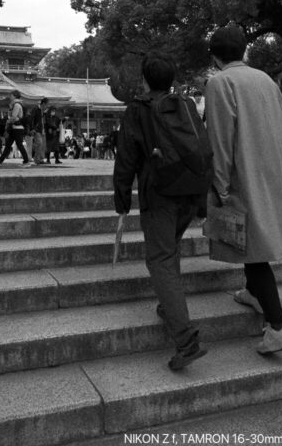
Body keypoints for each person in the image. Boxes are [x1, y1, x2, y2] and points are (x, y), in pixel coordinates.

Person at [206, 25, 282, 354]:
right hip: (275, 168)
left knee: (253, 247)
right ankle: (252, 293)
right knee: (254, 240)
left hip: (245, 170)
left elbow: (221, 138)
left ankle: (278, 325)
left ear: (214, 56)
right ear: (244, 51)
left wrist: (219, 184)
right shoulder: (266, 79)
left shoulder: (219, 82)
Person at [113, 52, 208, 370]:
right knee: (171, 250)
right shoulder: (187, 106)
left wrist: (122, 197)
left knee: (160, 258)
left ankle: (185, 339)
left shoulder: (138, 110)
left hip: (160, 194)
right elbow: (202, 146)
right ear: (172, 80)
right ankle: (170, 307)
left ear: (144, 79)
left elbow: (126, 156)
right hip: (190, 192)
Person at [0, 90, 31, 165]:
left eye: (11, 95)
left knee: (18, 144)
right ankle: (0, 160)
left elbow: (13, 117)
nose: (10, 97)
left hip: (17, 128)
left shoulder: (16, 105)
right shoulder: (15, 104)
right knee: (9, 145)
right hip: (15, 128)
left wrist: (8, 121)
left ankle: (26, 160)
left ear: (15, 96)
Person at [30, 98, 47, 164]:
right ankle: (36, 159)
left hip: (42, 129)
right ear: (43, 104)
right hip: (37, 129)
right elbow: (32, 119)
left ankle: (41, 159)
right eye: (46, 105)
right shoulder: (36, 109)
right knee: (39, 143)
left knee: (43, 145)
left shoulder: (43, 111)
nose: (47, 107)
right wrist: (32, 128)